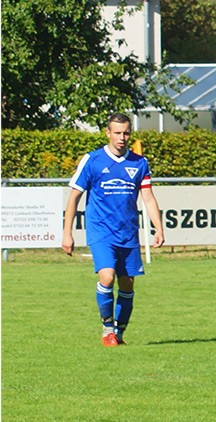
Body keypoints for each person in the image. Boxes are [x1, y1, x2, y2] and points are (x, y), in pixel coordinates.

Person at [62, 112, 165, 346]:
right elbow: (74, 197)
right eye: (117, 133)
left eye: (126, 133)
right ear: (107, 133)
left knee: (127, 283)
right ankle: (107, 330)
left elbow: (148, 197)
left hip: (128, 233)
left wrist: (158, 228)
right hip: (100, 231)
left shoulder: (139, 163)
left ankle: (119, 333)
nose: (122, 137)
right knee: (107, 277)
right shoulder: (93, 160)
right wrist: (67, 233)